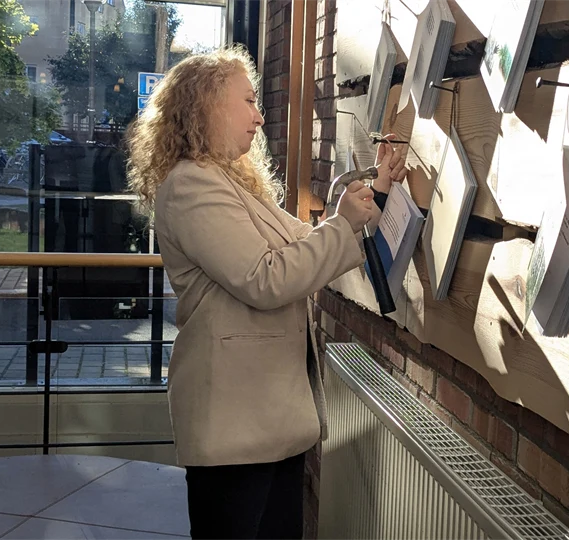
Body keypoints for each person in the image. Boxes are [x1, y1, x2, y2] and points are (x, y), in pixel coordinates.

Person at [125, 46, 408, 540]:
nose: (259, 117)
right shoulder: (190, 185)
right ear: (206, 105)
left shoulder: (230, 182)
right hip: (235, 425)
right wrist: (343, 222)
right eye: (249, 101)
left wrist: (378, 192)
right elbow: (266, 278)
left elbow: (305, 244)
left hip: (270, 419)